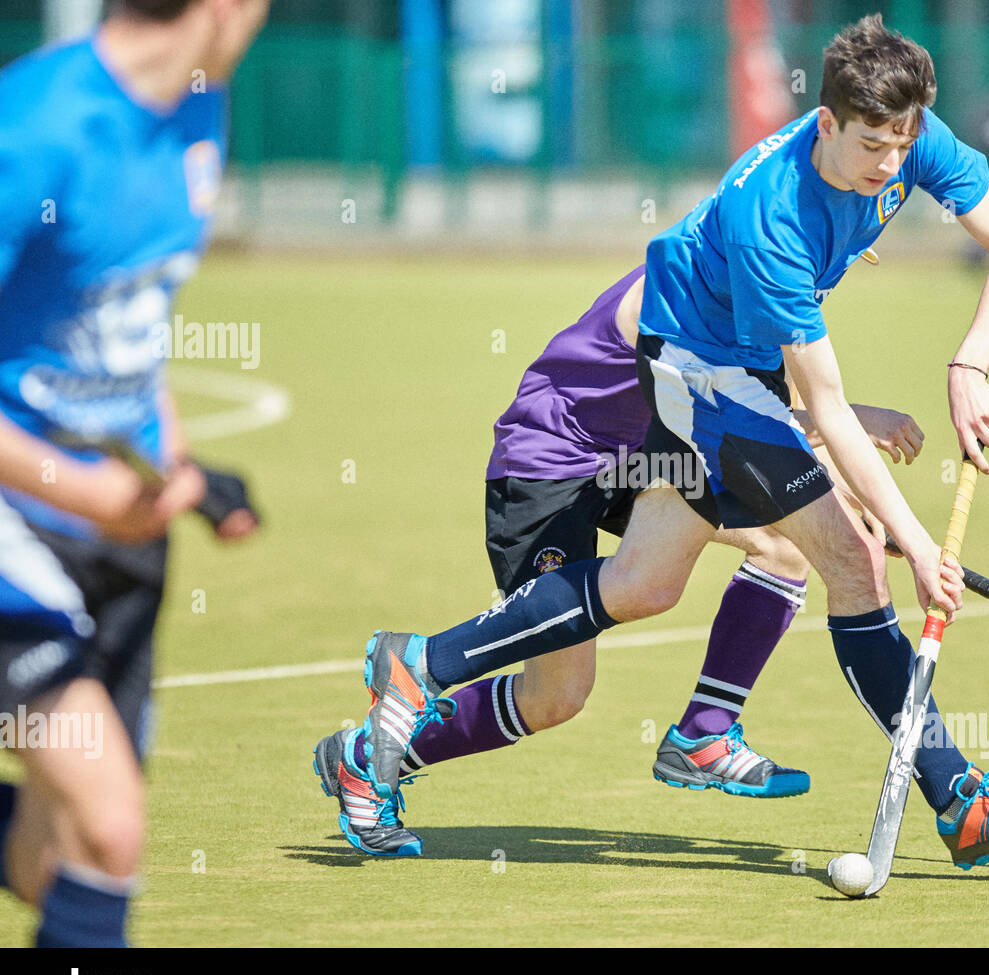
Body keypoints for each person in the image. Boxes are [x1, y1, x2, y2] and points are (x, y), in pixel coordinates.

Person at [355, 15, 989, 874]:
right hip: (685, 381)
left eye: (902, 142)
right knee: (855, 557)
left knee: (648, 583)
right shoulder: (771, 217)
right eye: (872, 144)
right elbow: (827, 404)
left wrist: (971, 363)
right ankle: (959, 801)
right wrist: (918, 543)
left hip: (725, 385)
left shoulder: (911, 138)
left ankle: (431, 666)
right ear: (826, 123)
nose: (891, 162)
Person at [312, 261, 927, 856]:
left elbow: (759, 421)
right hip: (552, 464)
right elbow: (727, 413)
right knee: (556, 696)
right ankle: (365, 757)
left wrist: (844, 508)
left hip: (643, 458)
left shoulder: (759, 293)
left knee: (786, 544)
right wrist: (844, 421)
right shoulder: (671, 294)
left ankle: (705, 733)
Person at [0, 0, 268, 947]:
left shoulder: (201, 107)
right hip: (17, 527)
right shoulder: (31, 129)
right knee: (111, 831)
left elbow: (134, 328)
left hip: (117, 538)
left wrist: (177, 470)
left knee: (54, 858)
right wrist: (78, 490)